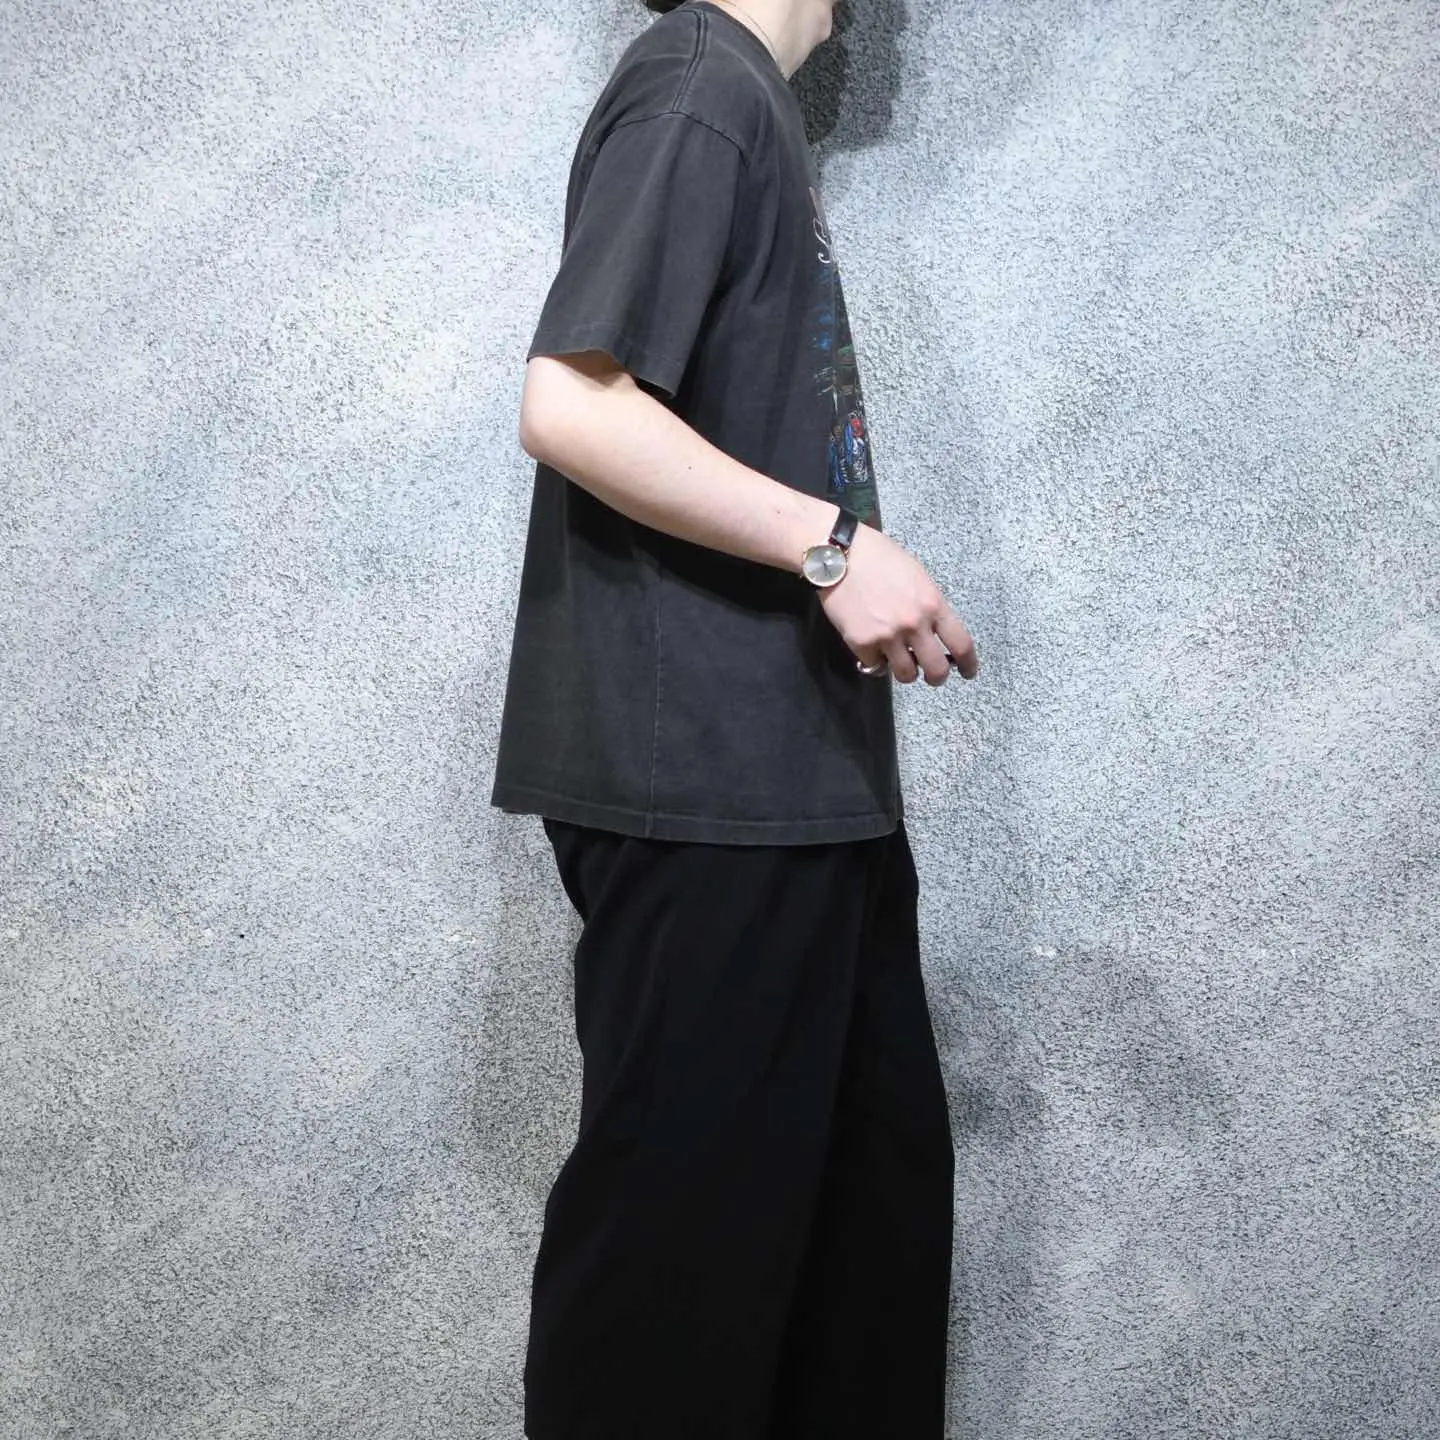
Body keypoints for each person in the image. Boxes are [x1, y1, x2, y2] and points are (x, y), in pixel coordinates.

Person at [491, 1, 979, 1435]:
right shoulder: (699, 79)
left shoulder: (740, 100)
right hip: (707, 791)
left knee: (858, 1282)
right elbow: (571, 403)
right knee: (673, 1310)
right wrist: (834, 547)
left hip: (796, 792)